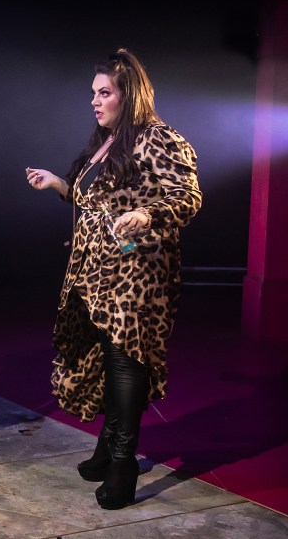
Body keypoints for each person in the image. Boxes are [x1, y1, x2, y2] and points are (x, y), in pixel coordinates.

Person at [25, 48, 202, 510]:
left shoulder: (159, 138)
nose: (95, 101)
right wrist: (59, 185)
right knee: (106, 356)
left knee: (126, 359)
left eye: (104, 93)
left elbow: (188, 196)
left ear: (130, 95)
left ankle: (123, 462)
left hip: (135, 271)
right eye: (93, 93)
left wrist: (147, 214)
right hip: (94, 272)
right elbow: (96, 203)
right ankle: (108, 446)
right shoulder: (107, 142)